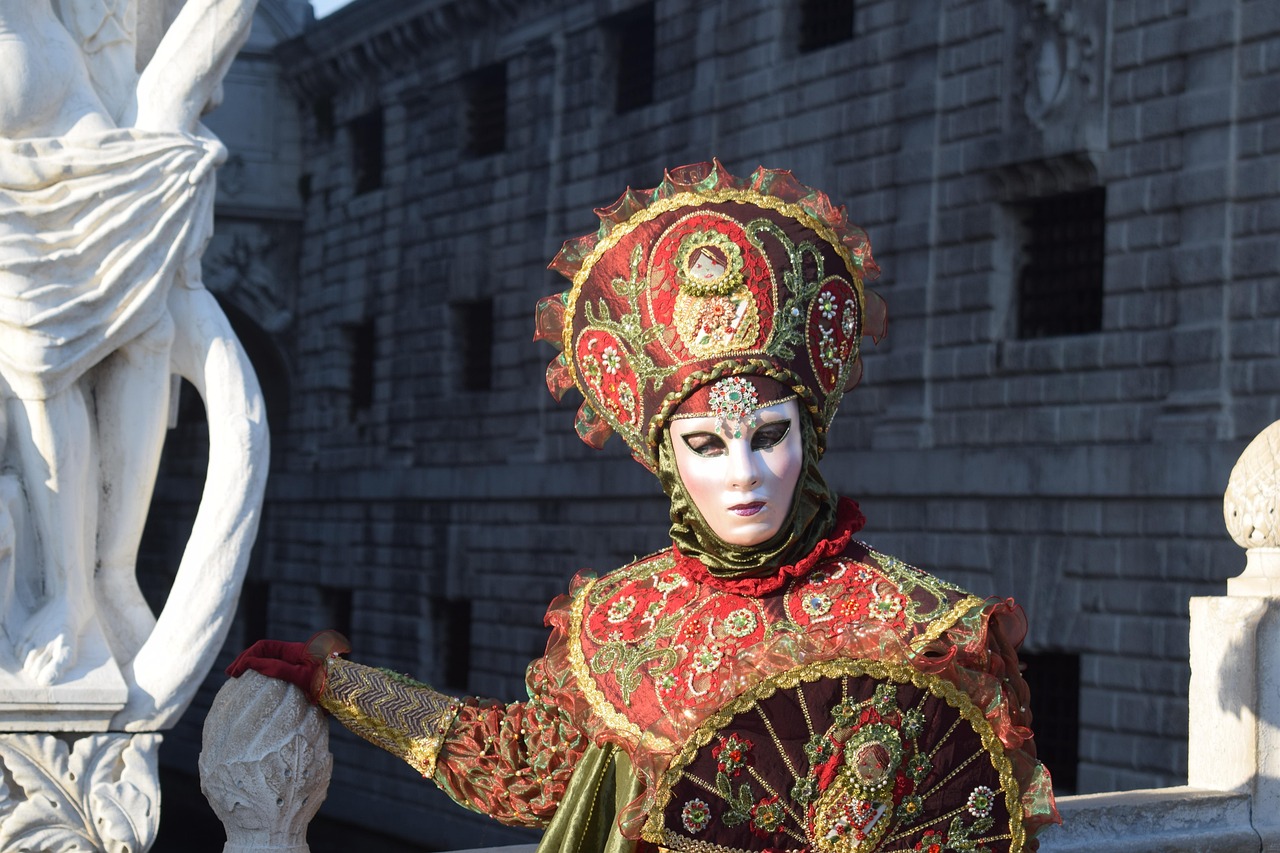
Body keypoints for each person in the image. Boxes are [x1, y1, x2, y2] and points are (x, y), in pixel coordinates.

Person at [229, 161, 1059, 852]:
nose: (744, 474)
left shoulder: (923, 630)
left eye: (769, 434)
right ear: (667, 459)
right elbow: (524, 766)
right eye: (707, 444)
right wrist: (343, 687)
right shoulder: (622, 625)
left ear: (811, 434)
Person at [0, 0, 255, 685]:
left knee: (125, 336)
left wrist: (173, 100)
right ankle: (75, 591)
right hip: (33, 145)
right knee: (42, 367)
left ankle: (93, 584)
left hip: (75, 121)